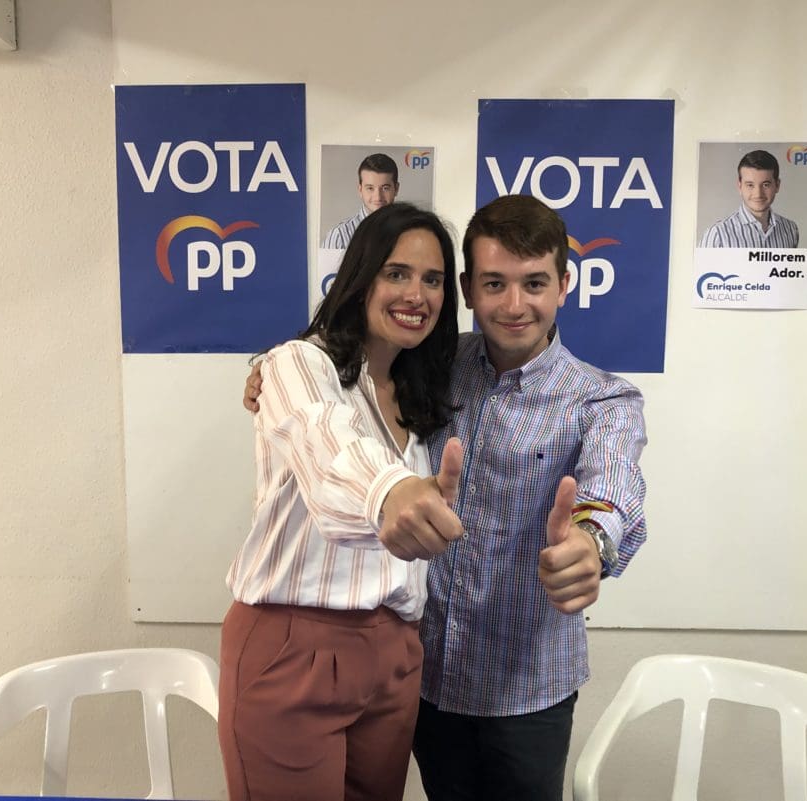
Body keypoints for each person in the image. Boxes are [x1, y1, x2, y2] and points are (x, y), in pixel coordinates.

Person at [245, 195, 648, 801]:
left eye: (535, 283)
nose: (515, 305)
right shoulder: (431, 365)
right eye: (495, 284)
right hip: (427, 677)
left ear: (564, 285)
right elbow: (331, 396)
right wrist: (267, 371)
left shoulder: (602, 399)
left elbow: (614, 482)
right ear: (468, 289)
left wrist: (591, 540)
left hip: (528, 688)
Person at [219, 202, 466, 801]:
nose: (416, 295)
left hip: (396, 653)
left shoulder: (422, 390)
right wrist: (389, 493)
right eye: (396, 273)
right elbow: (323, 442)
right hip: (293, 646)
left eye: (433, 279)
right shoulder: (296, 363)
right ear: (359, 279)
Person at [700, 149, 800, 248]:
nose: (758, 194)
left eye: (765, 185)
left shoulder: (790, 230)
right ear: (740, 187)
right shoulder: (718, 234)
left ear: (777, 185)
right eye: (750, 185)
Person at [322, 153, 400, 249]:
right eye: (370, 188)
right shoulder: (339, 236)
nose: (378, 197)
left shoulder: (409, 233)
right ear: (360, 190)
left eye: (385, 188)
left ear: (396, 189)